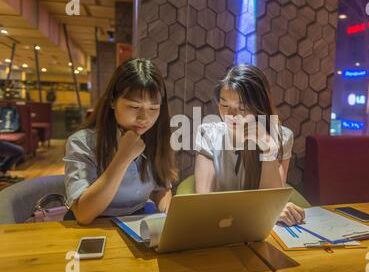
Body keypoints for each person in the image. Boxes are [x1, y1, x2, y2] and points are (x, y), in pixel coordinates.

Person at [64, 58, 177, 225]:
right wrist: (123, 157)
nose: (144, 119)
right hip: (91, 228)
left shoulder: (156, 139)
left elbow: (161, 189)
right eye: (134, 107)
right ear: (112, 101)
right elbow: (83, 214)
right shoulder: (82, 142)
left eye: (153, 109)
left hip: (136, 224)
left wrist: (169, 217)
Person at [194, 64, 305, 227]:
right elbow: (203, 202)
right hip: (220, 227)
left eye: (242, 108)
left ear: (260, 108)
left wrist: (268, 148)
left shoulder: (282, 137)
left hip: (259, 230)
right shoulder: (208, 134)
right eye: (224, 105)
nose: (230, 115)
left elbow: (271, 201)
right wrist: (263, 210)